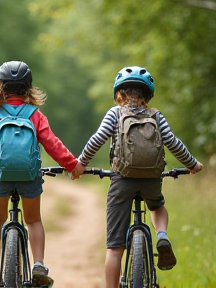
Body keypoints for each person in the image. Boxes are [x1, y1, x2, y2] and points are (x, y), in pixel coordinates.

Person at [0, 60, 81, 288]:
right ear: (28, 88)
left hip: (0, 177)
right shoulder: (36, 116)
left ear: (0, 87)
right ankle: (39, 264)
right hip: (29, 178)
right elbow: (52, 144)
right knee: (33, 219)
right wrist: (72, 165)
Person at [71, 66, 203, 288]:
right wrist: (192, 164)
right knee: (157, 206)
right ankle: (161, 234)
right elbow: (173, 143)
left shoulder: (115, 113)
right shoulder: (156, 116)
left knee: (114, 249)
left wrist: (80, 164)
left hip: (121, 180)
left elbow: (98, 139)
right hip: (152, 179)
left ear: (119, 93)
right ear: (147, 94)